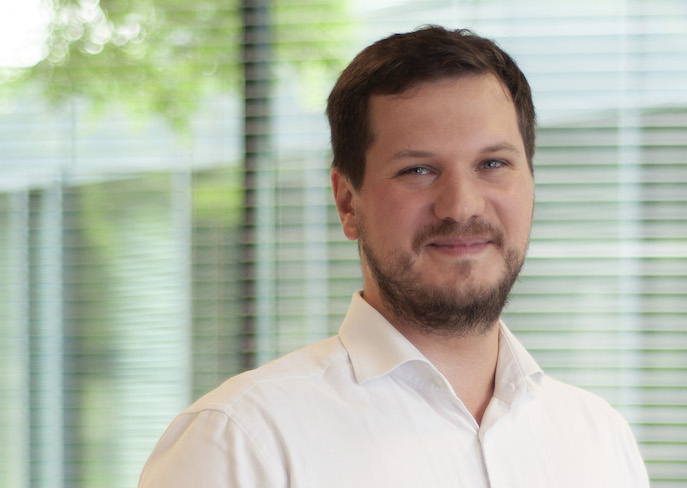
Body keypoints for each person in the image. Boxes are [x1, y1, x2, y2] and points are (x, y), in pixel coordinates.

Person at [139, 25, 649, 487]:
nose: (461, 206)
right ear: (348, 202)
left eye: (493, 163)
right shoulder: (240, 443)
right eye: (418, 170)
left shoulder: (600, 440)